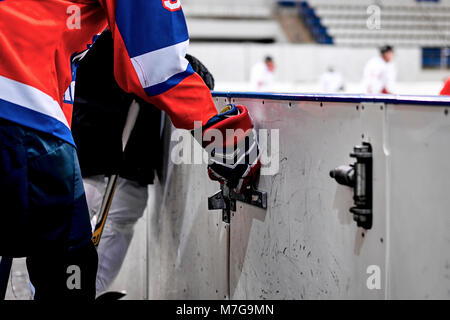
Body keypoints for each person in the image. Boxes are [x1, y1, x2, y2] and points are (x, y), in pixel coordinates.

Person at [0, 0, 259, 300]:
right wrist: (224, 137)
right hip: (22, 111)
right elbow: (155, 59)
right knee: (67, 270)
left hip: (28, 112)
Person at [70, 30, 215, 295]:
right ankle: (77, 290)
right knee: (75, 229)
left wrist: (185, 65)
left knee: (98, 225)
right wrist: (186, 67)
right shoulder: (115, 23)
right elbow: (147, 59)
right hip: (99, 152)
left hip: (112, 154)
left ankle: (84, 290)